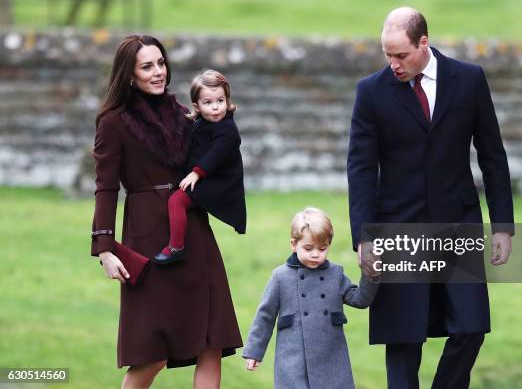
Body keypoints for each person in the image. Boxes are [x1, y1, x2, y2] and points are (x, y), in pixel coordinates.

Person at [347, 7, 515, 388]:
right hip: (398, 228)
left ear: (424, 42)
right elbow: (360, 168)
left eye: (401, 55)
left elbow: (492, 154)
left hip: (458, 223)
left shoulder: (469, 80)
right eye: (387, 55)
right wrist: (364, 236)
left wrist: (502, 224)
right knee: (404, 338)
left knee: (472, 327)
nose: (393, 64)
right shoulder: (371, 91)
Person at [91, 35, 242, 389]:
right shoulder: (113, 122)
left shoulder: (182, 114)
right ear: (129, 75)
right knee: (152, 353)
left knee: (211, 343)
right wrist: (105, 248)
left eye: (161, 63)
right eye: (147, 66)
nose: (158, 72)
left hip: (194, 233)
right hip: (147, 239)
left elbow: (219, 151)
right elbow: (106, 187)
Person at [242, 207, 379, 389]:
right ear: (293, 244)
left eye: (322, 249)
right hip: (293, 359)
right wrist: (254, 352)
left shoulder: (335, 274)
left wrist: (371, 274)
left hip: (331, 358)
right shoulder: (280, 276)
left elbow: (360, 300)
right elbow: (265, 316)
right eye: (308, 248)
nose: (316, 254)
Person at [154, 69, 246, 265]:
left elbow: (216, 155)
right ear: (197, 105)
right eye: (208, 103)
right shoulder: (201, 123)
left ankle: (176, 247)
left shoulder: (228, 130)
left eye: (220, 101)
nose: (215, 108)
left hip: (218, 184)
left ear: (227, 100)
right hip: (206, 178)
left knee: (176, 201)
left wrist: (196, 174)